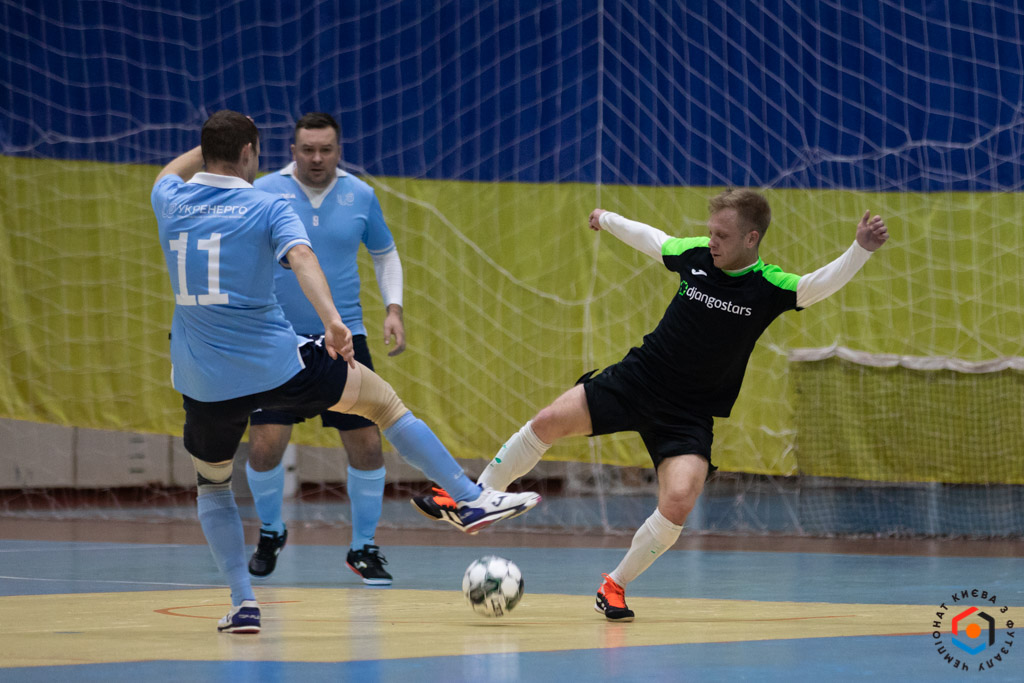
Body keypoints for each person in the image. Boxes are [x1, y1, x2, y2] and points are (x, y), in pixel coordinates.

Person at [413, 189, 889, 621]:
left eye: (722, 236)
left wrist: (860, 250)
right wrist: (606, 218)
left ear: (752, 238)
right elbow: (653, 239)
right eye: (710, 232)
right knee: (549, 420)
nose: (712, 241)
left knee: (679, 499)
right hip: (639, 379)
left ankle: (614, 584)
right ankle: (473, 498)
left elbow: (819, 283)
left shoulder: (769, 286)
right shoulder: (695, 256)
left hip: (688, 414)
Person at [151, 110, 540, 634]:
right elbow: (303, 258)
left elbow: (168, 172)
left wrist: (213, 141)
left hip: (203, 382)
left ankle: (244, 604)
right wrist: (334, 322)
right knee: (384, 404)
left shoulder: (169, 199)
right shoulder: (268, 203)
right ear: (249, 153)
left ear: (207, 150)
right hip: (275, 366)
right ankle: (469, 499)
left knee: (213, 487)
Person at [246, 113, 405, 586]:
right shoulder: (263, 193)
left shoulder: (362, 195)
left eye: (326, 150)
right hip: (277, 338)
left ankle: (363, 547)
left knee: (367, 444)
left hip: (345, 338)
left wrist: (393, 309)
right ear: (292, 150)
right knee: (264, 445)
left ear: (339, 150)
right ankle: (271, 531)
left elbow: (385, 253)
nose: (317, 158)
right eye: (308, 149)